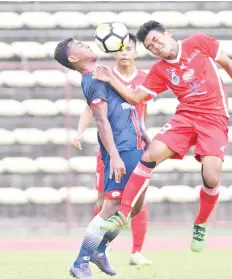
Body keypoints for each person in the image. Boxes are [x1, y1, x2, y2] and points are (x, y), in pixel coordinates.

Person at [92, 20, 232, 253]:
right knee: (150, 154)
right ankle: (122, 214)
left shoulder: (199, 42)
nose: (155, 47)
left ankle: (200, 222)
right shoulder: (160, 70)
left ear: (168, 34)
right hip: (185, 117)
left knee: (212, 176)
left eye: (156, 40)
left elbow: (228, 63)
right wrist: (110, 78)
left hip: (214, 117)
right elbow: (135, 98)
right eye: (149, 46)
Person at [54, 37, 150, 278]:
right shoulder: (92, 80)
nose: (87, 45)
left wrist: (145, 136)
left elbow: (128, 108)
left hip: (136, 145)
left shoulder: (103, 75)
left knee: (134, 207)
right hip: (122, 149)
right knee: (112, 207)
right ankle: (81, 261)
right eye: (80, 46)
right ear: (74, 58)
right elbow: (101, 120)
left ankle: (99, 251)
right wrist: (115, 156)